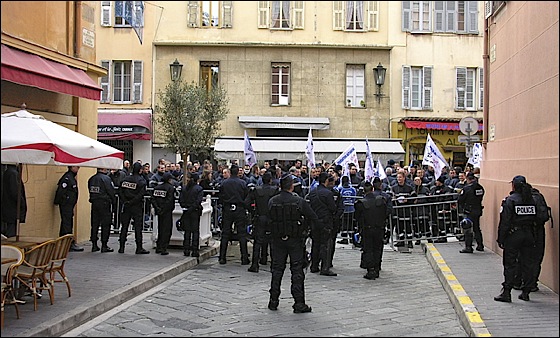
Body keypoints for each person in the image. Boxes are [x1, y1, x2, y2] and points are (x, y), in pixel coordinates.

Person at [267, 174, 318, 313]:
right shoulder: (298, 201)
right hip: (295, 240)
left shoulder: (272, 201)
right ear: (291, 186)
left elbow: (268, 219)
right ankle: (298, 302)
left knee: (277, 270)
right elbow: (312, 216)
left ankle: (273, 300)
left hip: (278, 240)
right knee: (297, 270)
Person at [494, 175, 538, 303]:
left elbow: (505, 222)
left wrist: (501, 238)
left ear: (514, 185)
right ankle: (526, 292)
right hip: (529, 234)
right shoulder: (531, 200)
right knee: (528, 264)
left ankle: (507, 292)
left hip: (514, 235)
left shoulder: (510, 200)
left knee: (510, 264)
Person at [354, 178, 393, 280]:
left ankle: (371, 270)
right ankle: (377, 267)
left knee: (369, 249)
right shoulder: (381, 201)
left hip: (367, 229)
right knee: (378, 248)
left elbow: (357, 217)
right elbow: (386, 212)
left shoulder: (361, 203)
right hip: (379, 228)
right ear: (372, 189)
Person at [245, 172, 278, 272]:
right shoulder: (275, 190)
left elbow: (247, 203)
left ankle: (255, 264)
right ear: (270, 180)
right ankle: (273, 265)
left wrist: (253, 211)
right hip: (272, 218)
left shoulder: (256, 190)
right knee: (273, 242)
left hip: (260, 217)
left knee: (258, 241)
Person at [218, 164, 250, 265]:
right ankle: (244, 257)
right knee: (242, 234)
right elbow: (246, 196)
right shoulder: (243, 183)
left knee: (225, 233)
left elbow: (220, 197)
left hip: (227, 208)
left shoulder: (224, 183)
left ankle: (222, 257)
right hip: (239, 208)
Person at [307, 172, 338, 276]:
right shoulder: (328, 193)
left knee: (315, 244)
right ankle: (325, 267)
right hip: (325, 221)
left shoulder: (312, 192)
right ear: (326, 181)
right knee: (325, 245)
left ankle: (314, 265)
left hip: (315, 221)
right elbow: (333, 208)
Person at [118, 162, 150, 254]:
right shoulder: (141, 181)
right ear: (140, 170)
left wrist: (125, 201)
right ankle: (139, 247)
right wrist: (132, 202)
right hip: (136, 206)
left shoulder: (125, 179)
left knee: (124, 226)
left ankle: (121, 247)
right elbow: (141, 194)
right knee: (138, 227)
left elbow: (120, 191)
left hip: (126, 205)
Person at [54, 166, 83, 251]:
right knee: (67, 223)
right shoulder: (67, 178)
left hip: (69, 205)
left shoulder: (71, 177)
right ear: (71, 168)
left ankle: (64, 242)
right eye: (76, 167)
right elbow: (61, 191)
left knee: (66, 223)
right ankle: (69, 244)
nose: (78, 169)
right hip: (66, 204)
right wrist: (58, 201)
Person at [87, 168, 116, 252]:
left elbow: (90, 190)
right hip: (104, 203)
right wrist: (113, 202)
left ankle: (94, 244)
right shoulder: (106, 179)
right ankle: (104, 245)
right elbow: (111, 191)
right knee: (105, 224)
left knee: (94, 224)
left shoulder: (91, 179)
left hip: (95, 203)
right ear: (103, 169)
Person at [457, 172, 485, 253]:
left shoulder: (467, 188)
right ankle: (480, 245)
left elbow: (460, 200)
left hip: (469, 210)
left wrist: (462, 207)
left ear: (468, 179)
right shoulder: (480, 187)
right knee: (477, 228)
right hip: (478, 209)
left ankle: (468, 247)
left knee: (467, 228)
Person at [179, 172, 204, 257]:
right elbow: (198, 201)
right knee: (195, 231)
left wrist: (186, 207)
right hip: (194, 211)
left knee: (187, 231)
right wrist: (192, 208)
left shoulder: (184, 188)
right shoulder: (199, 189)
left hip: (186, 211)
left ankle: (186, 249)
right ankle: (194, 250)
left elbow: (181, 200)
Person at [151, 172, 177, 255]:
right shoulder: (170, 188)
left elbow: (153, 199)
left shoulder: (157, 187)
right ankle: (164, 248)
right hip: (167, 212)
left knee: (160, 229)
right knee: (167, 230)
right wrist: (164, 209)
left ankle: (159, 246)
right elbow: (169, 201)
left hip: (159, 211)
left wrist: (157, 208)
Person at [1, 164, 27, 238]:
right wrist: (22, 204)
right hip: (12, 210)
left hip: (9, 209)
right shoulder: (13, 174)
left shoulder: (9, 172)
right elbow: (15, 192)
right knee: (11, 235)